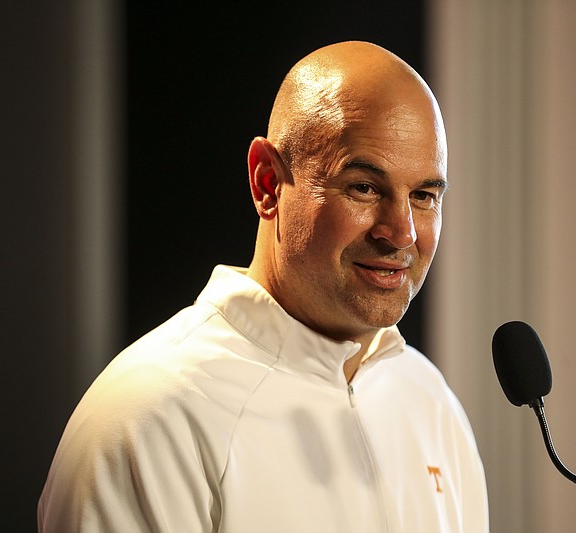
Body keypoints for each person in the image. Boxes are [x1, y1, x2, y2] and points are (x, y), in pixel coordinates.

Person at [38, 40, 489, 532]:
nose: (401, 232)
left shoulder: (429, 401)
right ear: (267, 182)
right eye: (364, 187)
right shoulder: (151, 416)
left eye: (424, 196)